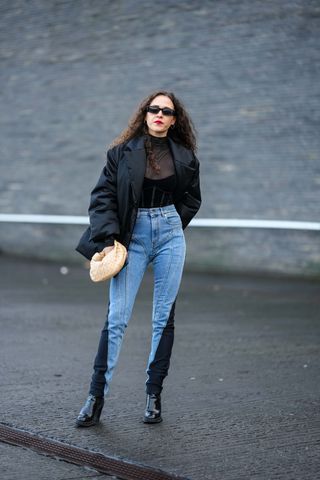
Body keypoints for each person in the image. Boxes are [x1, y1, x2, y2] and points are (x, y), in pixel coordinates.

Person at [75, 90, 201, 427]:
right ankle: (95, 396)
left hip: (171, 233)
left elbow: (192, 199)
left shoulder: (186, 157)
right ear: (144, 114)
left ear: (175, 120)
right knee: (117, 317)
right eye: (153, 108)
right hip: (132, 235)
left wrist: (172, 221)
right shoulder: (120, 153)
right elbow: (102, 196)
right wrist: (107, 237)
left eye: (167, 111)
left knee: (164, 317)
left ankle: (154, 395)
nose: (159, 114)